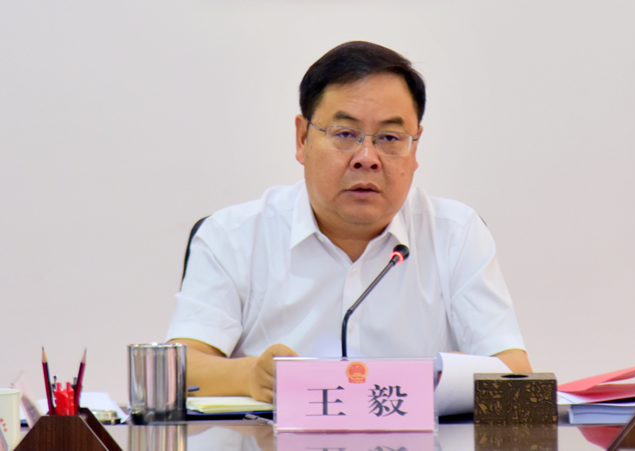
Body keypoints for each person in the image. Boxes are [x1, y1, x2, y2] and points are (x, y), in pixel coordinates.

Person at [167, 41, 531, 404]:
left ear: (415, 147)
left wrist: (427, 382)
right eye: (345, 134)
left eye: (390, 138)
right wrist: (251, 377)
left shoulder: (456, 234)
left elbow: (514, 374)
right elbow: (178, 370)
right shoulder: (232, 237)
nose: (367, 158)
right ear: (302, 138)